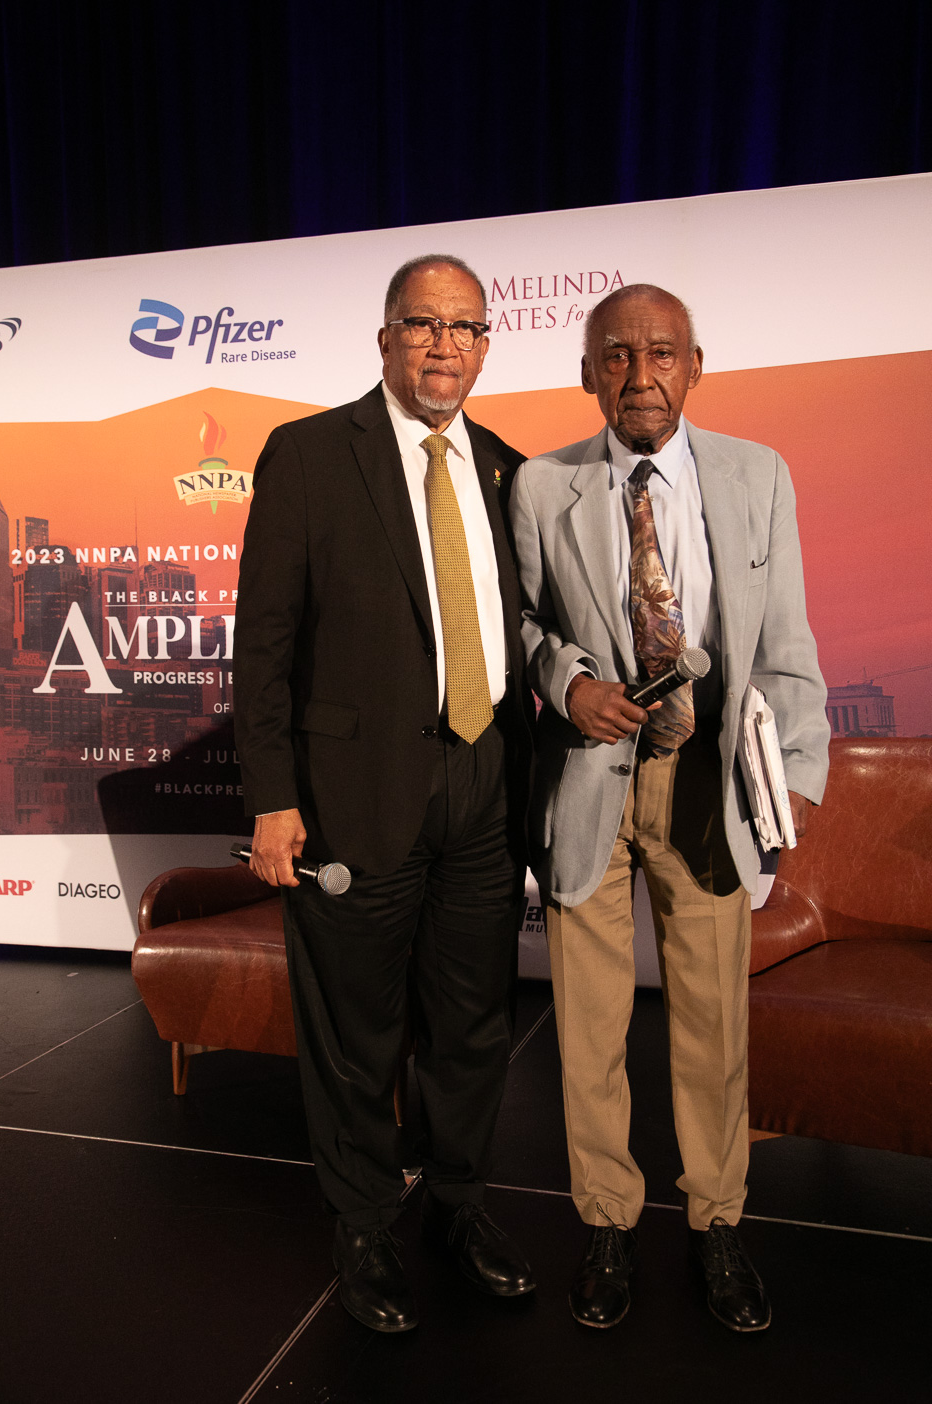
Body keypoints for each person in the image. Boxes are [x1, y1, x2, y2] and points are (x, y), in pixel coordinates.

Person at [509, 283, 829, 1333]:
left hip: (709, 790)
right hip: (587, 783)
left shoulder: (757, 474)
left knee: (712, 1026)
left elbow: (785, 641)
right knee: (589, 1029)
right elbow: (522, 625)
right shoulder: (541, 485)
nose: (639, 376)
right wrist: (568, 685)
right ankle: (607, 1222)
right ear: (587, 371)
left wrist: (793, 789)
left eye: (660, 354)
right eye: (616, 355)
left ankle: (717, 1223)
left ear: (695, 367)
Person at [233, 255, 536, 1333]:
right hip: (352, 793)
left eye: (465, 327)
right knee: (356, 1030)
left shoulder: (507, 469)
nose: (445, 345)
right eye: (423, 323)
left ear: (485, 345)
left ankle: (457, 1203)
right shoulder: (311, 454)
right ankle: (364, 1222)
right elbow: (264, 644)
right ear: (386, 338)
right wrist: (273, 796)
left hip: (487, 782)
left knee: (472, 1021)